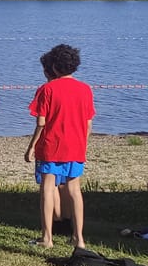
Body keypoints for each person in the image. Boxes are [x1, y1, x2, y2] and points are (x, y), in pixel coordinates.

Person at [24, 44, 95, 249]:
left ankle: (47, 237)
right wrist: (83, 143)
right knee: (74, 189)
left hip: (51, 145)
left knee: (48, 188)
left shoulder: (48, 89)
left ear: (54, 67)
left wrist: (31, 146)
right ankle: (79, 238)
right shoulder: (85, 89)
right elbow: (88, 122)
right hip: (76, 146)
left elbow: (41, 122)